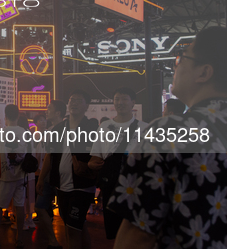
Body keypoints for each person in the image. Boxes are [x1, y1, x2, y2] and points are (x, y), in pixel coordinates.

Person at [109, 27, 227, 249]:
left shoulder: (170, 130)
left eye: (181, 59)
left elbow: (138, 233)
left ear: (204, 73)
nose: (176, 66)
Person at [37, 90, 98, 249]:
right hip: (61, 186)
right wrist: (41, 179)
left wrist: (88, 166)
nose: (74, 103)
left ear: (86, 106)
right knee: (76, 225)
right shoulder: (58, 129)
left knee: (72, 229)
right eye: (72, 100)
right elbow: (50, 156)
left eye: (79, 100)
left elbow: (99, 156)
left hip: (82, 186)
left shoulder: (92, 128)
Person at [88, 87, 148, 239]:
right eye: (117, 99)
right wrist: (93, 165)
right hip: (111, 186)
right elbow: (96, 156)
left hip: (136, 187)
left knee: (134, 232)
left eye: (124, 99)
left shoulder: (145, 128)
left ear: (133, 103)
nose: (120, 103)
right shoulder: (105, 127)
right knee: (114, 231)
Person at [0, 104, 29, 247]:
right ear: (18, 116)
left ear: (5, 117)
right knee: (19, 206)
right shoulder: (24, 132)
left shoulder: (1, 132)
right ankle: (20, 239)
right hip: (20, 176)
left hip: (5, 176)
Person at [35, 100, 66, 249]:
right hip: (49, 176)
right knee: (40, 208)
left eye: (49, 109)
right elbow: (48, 155)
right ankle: (53, 241)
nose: (46, 111)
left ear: (58, 112)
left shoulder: (63, 130)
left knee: (64, 212)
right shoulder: (52, 130)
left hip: (60, 176)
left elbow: (50, 155)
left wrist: (41, 178)